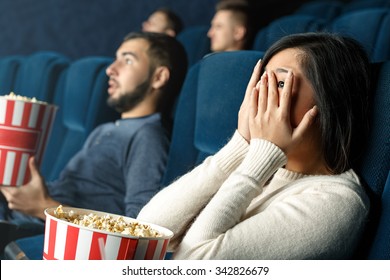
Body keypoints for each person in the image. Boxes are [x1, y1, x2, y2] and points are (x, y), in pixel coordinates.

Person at [137, 32, 371, 259]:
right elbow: (145, 234)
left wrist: (263, 155)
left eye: (279, 83)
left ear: (330, 101)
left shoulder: (336, 203)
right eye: (261, 82)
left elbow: (193, 264)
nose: (260, 95)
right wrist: (242, 144)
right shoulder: (264, 168)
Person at [0, 32, 188, 237]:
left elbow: (139, 228)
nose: (111, 69)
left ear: (158, 77)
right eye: (115, 59)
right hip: (15, 217)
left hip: (34, 233)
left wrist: (43, 206)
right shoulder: (105, 129)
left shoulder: (148, 136)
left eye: (127, 60)